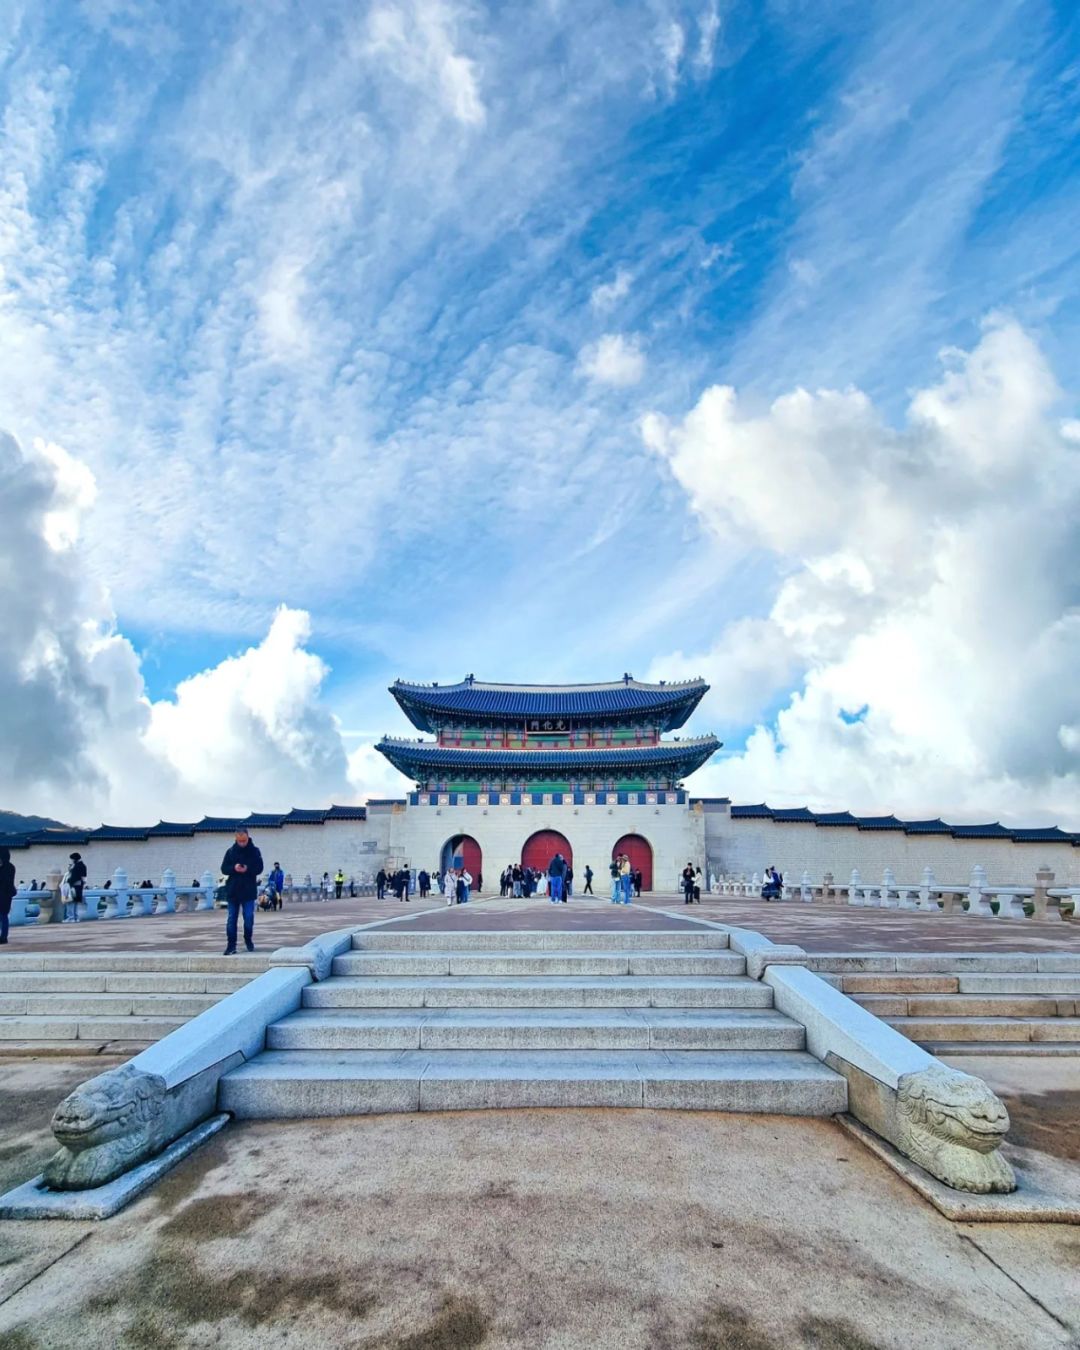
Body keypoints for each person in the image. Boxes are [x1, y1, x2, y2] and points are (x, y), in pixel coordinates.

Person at [221, 827, 263, 955]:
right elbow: (224, 868)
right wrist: (234, 868)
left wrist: (247, 869)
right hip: (233, 890)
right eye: (239, 841)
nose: (242, 843)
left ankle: (248, 939)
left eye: (244, 840)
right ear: (236, 839)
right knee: (231, 918)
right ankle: (231, 945)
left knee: (249, 918)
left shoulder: (255, 852)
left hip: (248, 890)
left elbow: (259, 868)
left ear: (247, 837)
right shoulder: (230, 852)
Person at [65, 852, 87, 923]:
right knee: (76, 902)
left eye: (72, 859)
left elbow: (74, 877)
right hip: (80, 886)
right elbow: (84, 877)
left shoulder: (76, 866)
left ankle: (71, 917)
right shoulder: (83, 866)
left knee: (70, 902)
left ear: (74, 859)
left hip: (73, 886)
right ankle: (75, 917)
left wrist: (68, 881)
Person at [0, 846, 15, 944]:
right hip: (7, 896)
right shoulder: (11, 867)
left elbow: (5, 881)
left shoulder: (5, 868)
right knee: (4, 916)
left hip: (3, 895)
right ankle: (4, 936)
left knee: (3, 916)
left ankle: (3, 937)